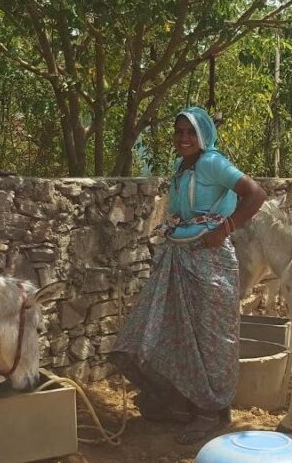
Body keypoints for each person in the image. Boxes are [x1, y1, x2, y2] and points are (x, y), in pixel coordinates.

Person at [110, 106, 267, 444]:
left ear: (203, 136)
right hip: (179, 259)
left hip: (212, 263)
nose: (183, 138)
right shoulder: (181, 167)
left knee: (210, 340)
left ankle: (211, 412)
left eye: (190, 133)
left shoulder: (212, 163)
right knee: (172, 329)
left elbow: (256, 194)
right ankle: (178, 403)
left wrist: (226, 228)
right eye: (179, 132)